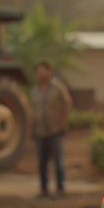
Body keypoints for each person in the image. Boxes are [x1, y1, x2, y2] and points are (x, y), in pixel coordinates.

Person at [31, 60, 72, 198]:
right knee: (42, 162)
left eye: (44, 70)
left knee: (58, 161)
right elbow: (34, 111)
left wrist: (63, 122)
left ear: (50, 72)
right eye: (39, 71)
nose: (41, 73)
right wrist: (32, 128)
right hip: (40, 131)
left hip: (55, 130)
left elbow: (67, 104)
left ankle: (60, 188)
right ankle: (44, 189)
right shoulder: (35, 90)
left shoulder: (58, 88)